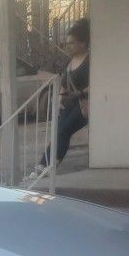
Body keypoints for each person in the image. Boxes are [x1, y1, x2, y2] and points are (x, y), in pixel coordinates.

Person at [34, 18, 90, 175]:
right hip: (68, 103)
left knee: (64, 130)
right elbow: (64, 84)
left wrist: (79, 93)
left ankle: (52, 165)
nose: (68, 46)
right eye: (67, 43)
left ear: (83, 44)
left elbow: (97, 84)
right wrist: (59, 100)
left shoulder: (90, 61)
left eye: (72, 43)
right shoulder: (70, 62)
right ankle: (42, 164)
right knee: (57, 131)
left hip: (84, 104)